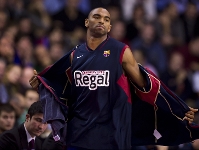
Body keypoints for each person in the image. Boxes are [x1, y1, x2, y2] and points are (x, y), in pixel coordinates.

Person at [29, 7, 198, 149]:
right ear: (87, 22)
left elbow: (147, 86)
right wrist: (42, 83)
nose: (102, 21)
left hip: (112, 135)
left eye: (106, 19)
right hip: (79, 133)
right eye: (97, 17)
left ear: (110, 26)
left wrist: (177, 107)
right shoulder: (75, 55)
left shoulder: (121, 52)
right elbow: (56, 82)